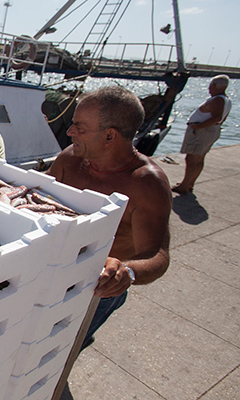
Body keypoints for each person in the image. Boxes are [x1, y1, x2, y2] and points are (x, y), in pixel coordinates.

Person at [47, 85, 172, 351]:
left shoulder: (147, 183)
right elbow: (34, 193)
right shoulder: (70, 158)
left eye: (79, 127)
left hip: (98, 289)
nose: (70, 132)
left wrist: (127, 271)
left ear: (110, 136)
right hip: (54, 271)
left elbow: (157, 255)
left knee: (63, 348)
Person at [172, 74, 232, 194]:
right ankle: (189, 183)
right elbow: (221, 118)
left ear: (214, 85)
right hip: (210, 130)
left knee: (192, 158)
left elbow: (216, 117)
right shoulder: (226, 99)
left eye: (210, 85)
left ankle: (184, 185)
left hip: (202, 131)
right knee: (199, 158)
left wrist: (197, 126)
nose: (209, 88)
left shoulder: (218, 100)